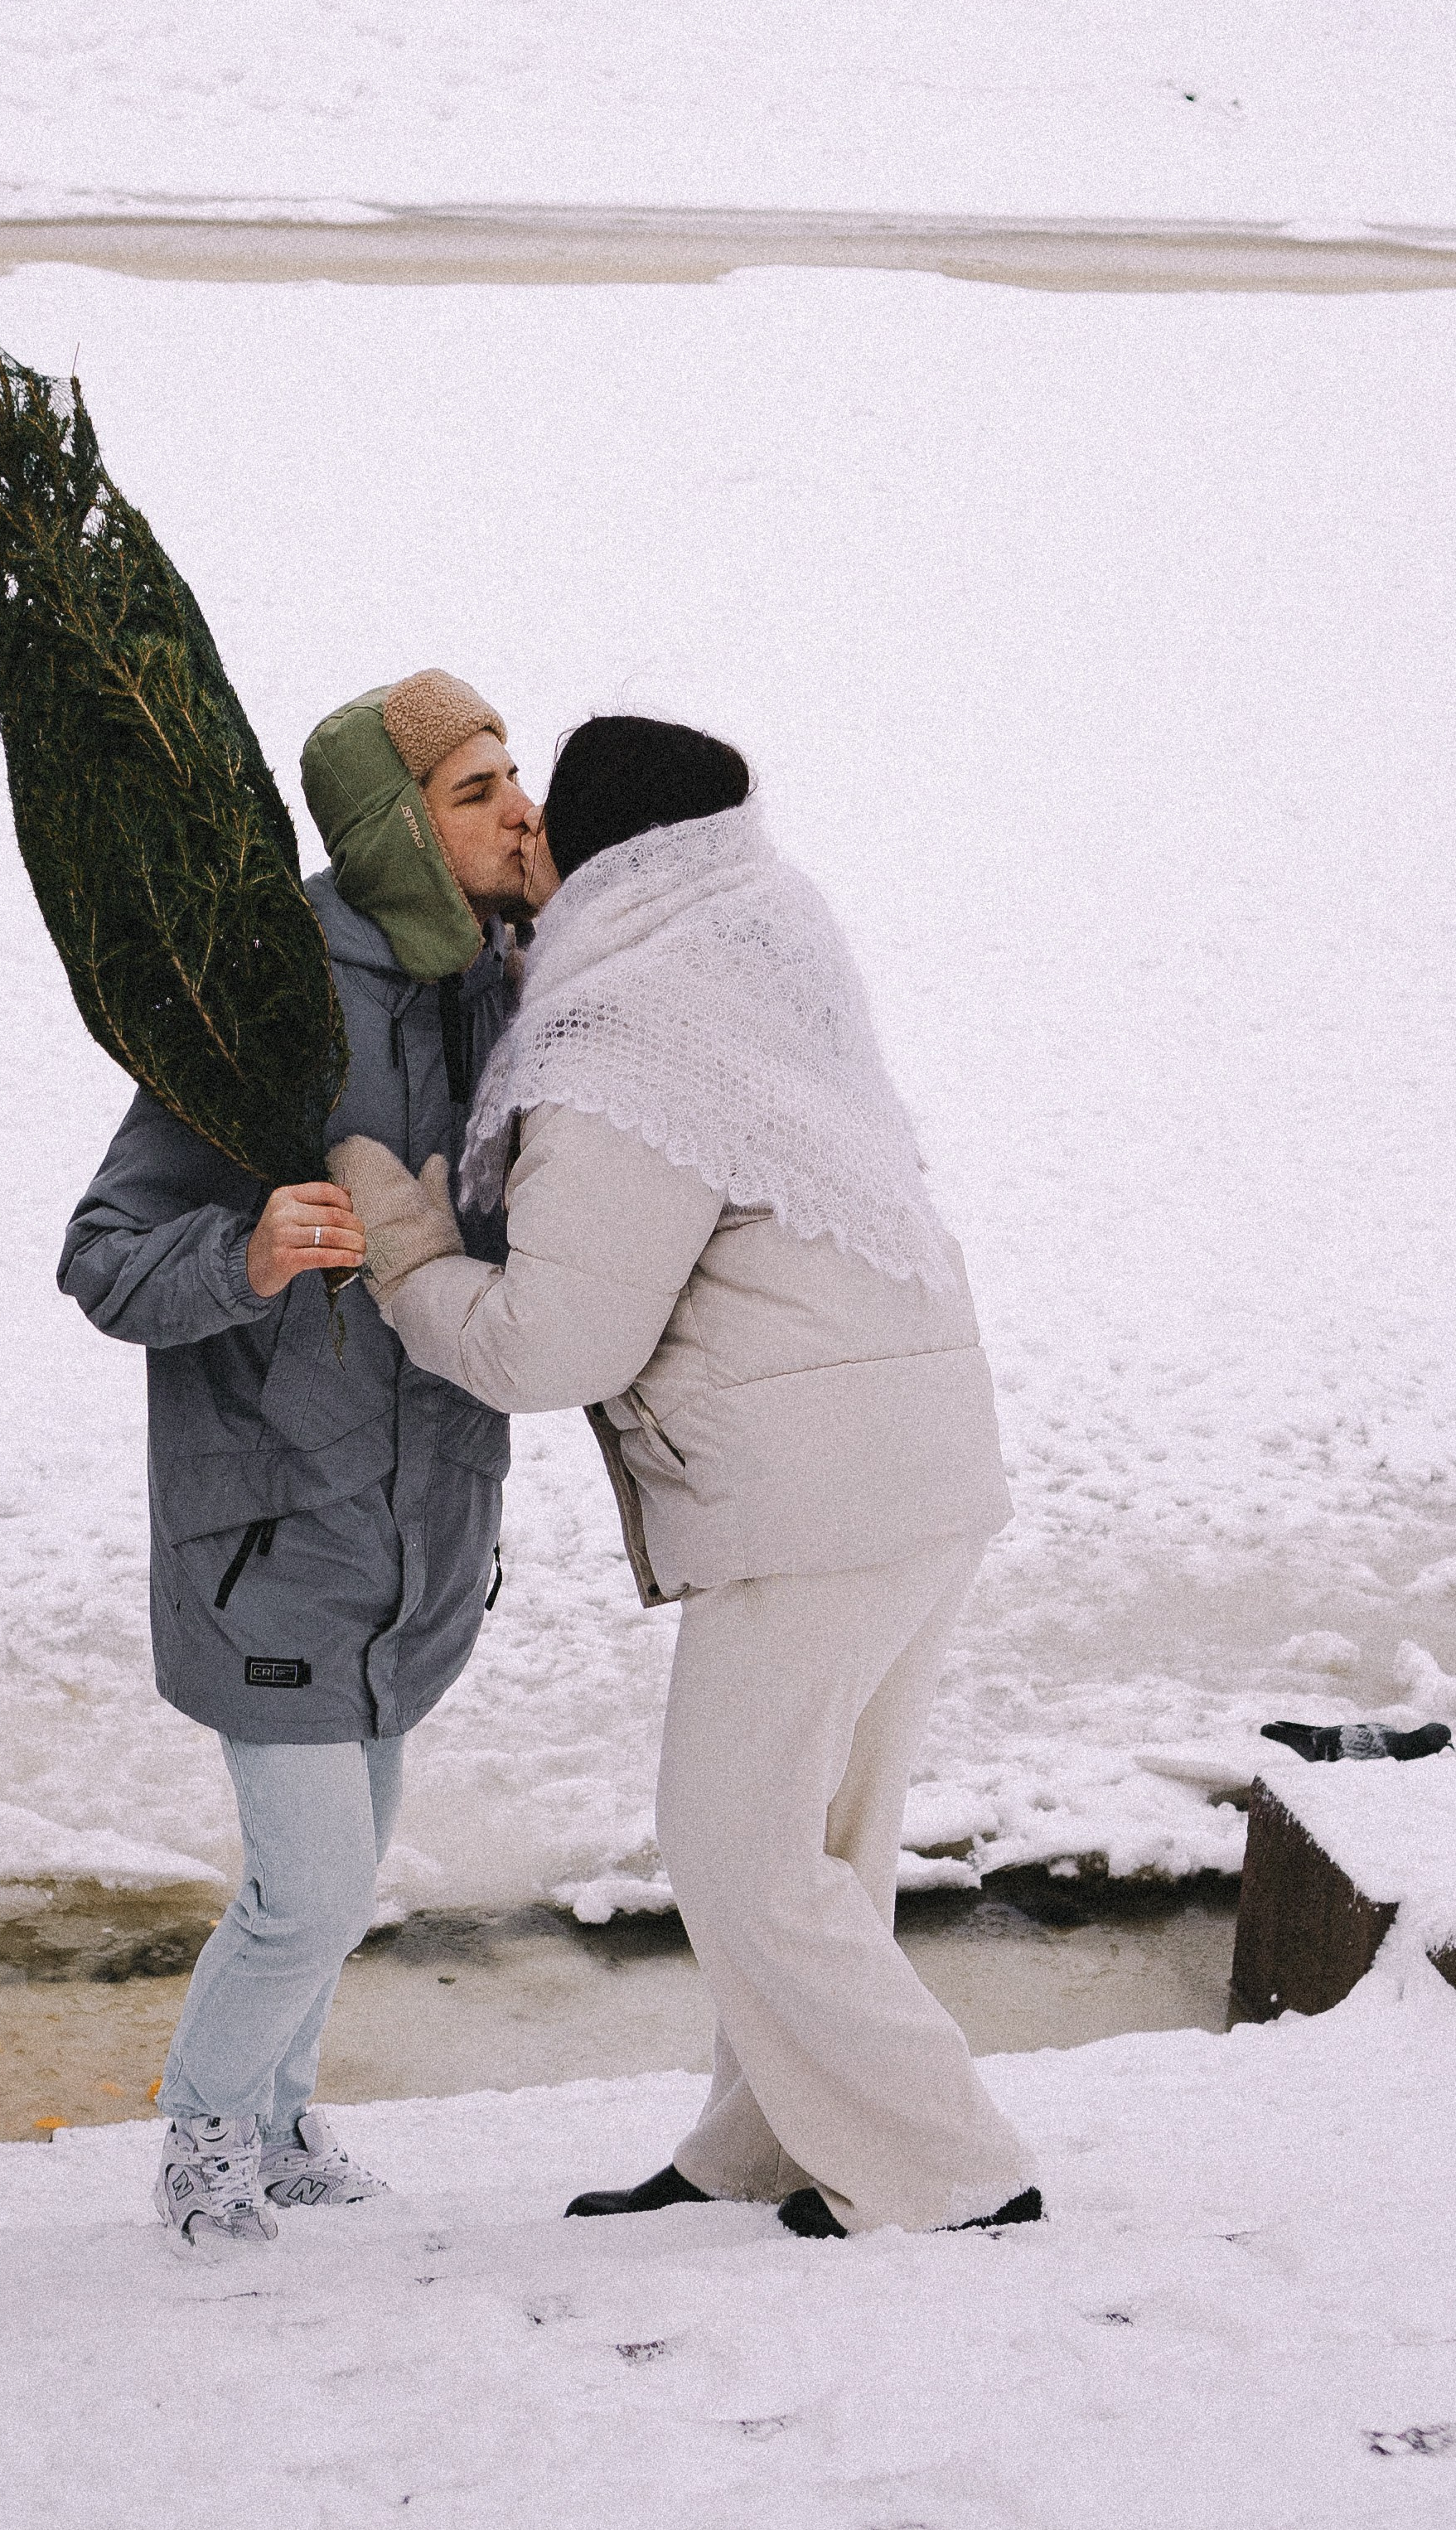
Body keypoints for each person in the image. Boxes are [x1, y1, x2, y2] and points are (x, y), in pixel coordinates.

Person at [330, 714, 1041, 2239]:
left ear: (604, 858)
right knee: (818, 1842)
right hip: (915, 1457)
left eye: (544, 818)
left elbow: (548, 1345)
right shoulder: (758, 935)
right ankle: (767, 2144)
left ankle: (954, 2174)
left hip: (818, 1494)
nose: (523, 835)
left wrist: (404, 1251)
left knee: (732, 1846)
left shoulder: (620, 1040)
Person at [60, 670, 535, 2252]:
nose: (515, 808)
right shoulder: (263, 1000)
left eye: (511, 775)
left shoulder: (501, 991)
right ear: (397, 826)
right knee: (311, 1889)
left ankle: (278, 2119)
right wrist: (247, 1251)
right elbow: (104, 1250)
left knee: (345, 1875)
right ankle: (202, 2136)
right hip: (268, 1532)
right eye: (474, 791)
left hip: (420, 1532)